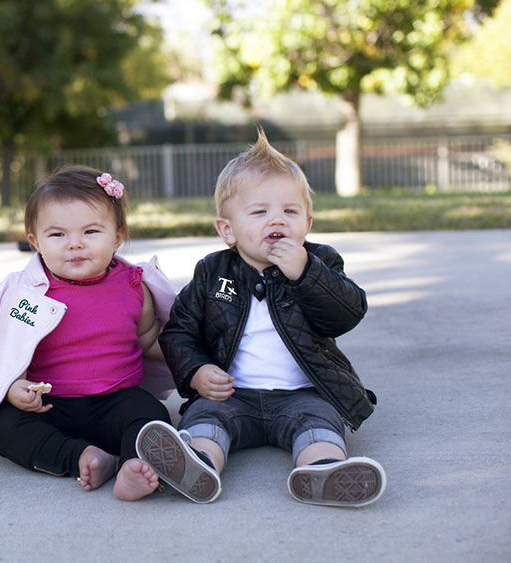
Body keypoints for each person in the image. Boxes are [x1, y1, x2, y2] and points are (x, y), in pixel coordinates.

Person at [136, 129, 386, 507]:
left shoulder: (321, 263)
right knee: (206, 418)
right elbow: (180, 330)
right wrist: (197, 372)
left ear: (308, 224)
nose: (277, 221)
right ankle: (198, 464)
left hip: (305, 393)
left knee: (319, 424)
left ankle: (324, 472)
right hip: (232, 395)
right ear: (227, 230)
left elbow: (347, 314)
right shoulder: (212, 271)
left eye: (290, 211)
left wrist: (306, 274)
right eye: (259, 212)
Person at [0, 165, 178, 501]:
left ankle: (134, 468)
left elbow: (149, 339)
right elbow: (6, 351)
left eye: (91, 232)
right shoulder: (27, 293)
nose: (74, 244)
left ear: (117, 236)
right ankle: (84, 458)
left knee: (152, 416)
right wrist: (15, 388)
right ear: (36, 242)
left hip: (115, 402)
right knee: (1, 427)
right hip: (48, 406)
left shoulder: (133, 286)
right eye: (57, 235)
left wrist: (194, 357)